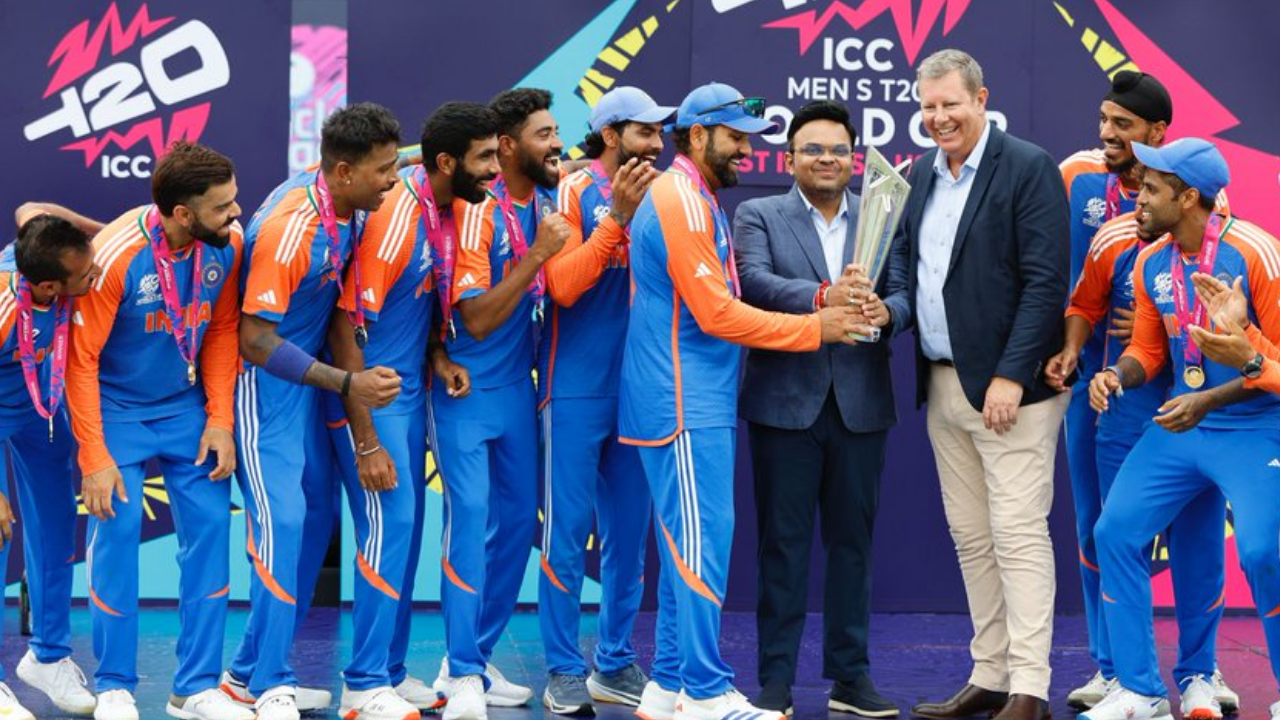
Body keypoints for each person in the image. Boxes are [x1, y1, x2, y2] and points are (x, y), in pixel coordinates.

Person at [618, 81, 867, 720]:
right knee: (700, 548)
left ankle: (670, 684)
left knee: (684, 548)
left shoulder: (693, 196)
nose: (744, 153)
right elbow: (718, 314)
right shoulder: (680, 198)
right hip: (680, 401)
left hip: (689, 398)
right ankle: (704, 691)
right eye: (733, 139)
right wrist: (817, 329)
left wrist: (817, 304)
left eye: (748, 140)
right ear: (696, 135)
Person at [887, 50, 1069, 720]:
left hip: (1008, 395)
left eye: (949, 105)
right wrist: (890, 310)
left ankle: (1030, 687)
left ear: (981, 98)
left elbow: (1046, 283)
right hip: (941, 388)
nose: (938, 119)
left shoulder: (1027, 166)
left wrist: (1010, 376)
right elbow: (905, 262)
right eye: (928, 107)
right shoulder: (920, 175)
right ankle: (989, 676)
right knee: (972, 536)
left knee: (1018, 534)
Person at [1054, 71, 1237, 713]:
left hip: (1200, 402)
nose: (1107, 134)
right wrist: (1079, 350)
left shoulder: (1212, 219)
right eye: (1103, 120)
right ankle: (1118, 672)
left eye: (1122, 125)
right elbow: (1082, 296)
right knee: (1106, 529)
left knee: (1198, 535)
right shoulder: (1085, 189)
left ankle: (1200, 671)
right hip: (1119, 395)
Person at [1085, 138, 1280, 720]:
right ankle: (1141, 692)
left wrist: (1239, 359)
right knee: (1114, 532)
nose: (1137, 198)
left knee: (1264, 551)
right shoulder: (1151, 261)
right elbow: (1148, 348)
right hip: (1182, 422)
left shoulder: (1256, 254)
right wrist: (1116, 374)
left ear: (1188, 196)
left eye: (1150, 189)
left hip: (1254, 424)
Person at [222, 103, 403, 720]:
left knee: (314, 517)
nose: (394, 181)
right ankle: (271, 679)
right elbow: (254, 339)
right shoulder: (293, 227)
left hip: (302, 387)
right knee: (284, 528)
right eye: (383, 170)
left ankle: (245, 675)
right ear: (344, 170)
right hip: (259, 386)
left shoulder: (350, 204)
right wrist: (347, 382)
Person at [64, 142, 251, 720]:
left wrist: (220, 419)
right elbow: (81, 359)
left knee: (211, 535)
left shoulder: (227, 246)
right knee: (116, 540)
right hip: (116, 409)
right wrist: (94, 455)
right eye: (223, 208)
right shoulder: (117, 256)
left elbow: (221, 331)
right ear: (183, 215)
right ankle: (116, 683)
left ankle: (194, 687)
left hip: (187, 408)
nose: (237, 216)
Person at [321, 101, 493, 720]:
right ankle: (364, 683)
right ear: (447, 163)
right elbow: (345, 323)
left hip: (408, 392)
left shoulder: (438, 207)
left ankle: (389, 671)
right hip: (373, 403)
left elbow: (414, 307)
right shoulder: (396, 217)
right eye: (485, 159)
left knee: (405, 532)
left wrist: (440, 354)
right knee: (386, 532)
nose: (496, 170)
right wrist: (365, 439)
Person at [732, 99, 902, 719]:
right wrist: (824, 297)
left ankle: (850, 679)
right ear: (791, 158)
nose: (827, 159)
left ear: (853, 158)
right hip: (785, 404)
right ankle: (774, 681)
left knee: (853, 546)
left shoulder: (883, 213)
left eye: (837, 150)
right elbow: (751, 282)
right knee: (783, 546)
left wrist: (889, 312)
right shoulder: (758, 213)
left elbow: (904, 288)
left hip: (862, 403)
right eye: (813, 149)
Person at [428, 88, 569, 720]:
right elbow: (477, 318)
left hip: (517, 390)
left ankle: (476, 656)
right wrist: (539, 253)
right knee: (470, 524)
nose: (556, 144)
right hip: (465, 386)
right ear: (507, 148)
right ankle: (458, 673)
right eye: (544, 134)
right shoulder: (476, 213)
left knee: (517, 527)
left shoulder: (546, 200)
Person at [537, 86, 670, 717]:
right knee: (566, 537)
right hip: (574, 388)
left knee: (629, 537)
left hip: (639, 389)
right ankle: (563, 668)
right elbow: (561, 287)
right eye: (646, 131)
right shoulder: (572, 190)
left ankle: (613, 661)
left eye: (660, 132)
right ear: (612, 135)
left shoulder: (667, 193)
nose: (658, 143)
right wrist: (616, 218)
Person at [0, 211, 101, 720]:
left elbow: (30, 210)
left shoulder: (47, 259)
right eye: (85, 276)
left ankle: (48, 655)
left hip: (38, 410)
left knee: (58, 529)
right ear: (46, 285)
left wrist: (100, 235)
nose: (95, 277)